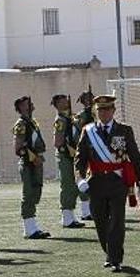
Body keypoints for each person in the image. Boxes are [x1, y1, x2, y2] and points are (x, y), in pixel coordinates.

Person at [75, 95, 140, 271]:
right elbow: (80, 159)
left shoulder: (124, 130)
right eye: (100, 109)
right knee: (100, 220)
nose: (104, 113)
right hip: (96, 182)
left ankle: (115, 259)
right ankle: (109, 253)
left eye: (107, 109)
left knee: (116, 220)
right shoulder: (88, 130)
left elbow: (134, 156)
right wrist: (80, 179)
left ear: (113, 111)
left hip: (117, 182)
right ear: (96, 111)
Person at [13, 96, 51, 240]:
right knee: (28, 194)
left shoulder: (32, 123)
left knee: (36, 192)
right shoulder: (22, 124)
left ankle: (33, 226)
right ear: (21, 108)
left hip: (37, 161)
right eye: (26, 104)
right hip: (29, 163)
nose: (30, 105)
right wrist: (32, 157)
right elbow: (18, 148)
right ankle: (29, 229)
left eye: (30, 103)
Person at [52, 94, 86, 228]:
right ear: (57, 104)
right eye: (62, 101)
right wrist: (69, 150)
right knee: (68, 185)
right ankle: (66, 217)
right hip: (66, 156)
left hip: (74, 155)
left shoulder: (71, 117)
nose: (66, 102)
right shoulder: (60, 120)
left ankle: (71, 216)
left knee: (76, 184)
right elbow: (58, 142)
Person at [75, 89, 96, 221]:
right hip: (86, 148)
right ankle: (85, 211)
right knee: (85, 179)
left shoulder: (96, 113)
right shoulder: (82, 115)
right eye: (87, 99)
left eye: (91, 98)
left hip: (97, 149)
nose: (90, 101)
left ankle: (94, 208)